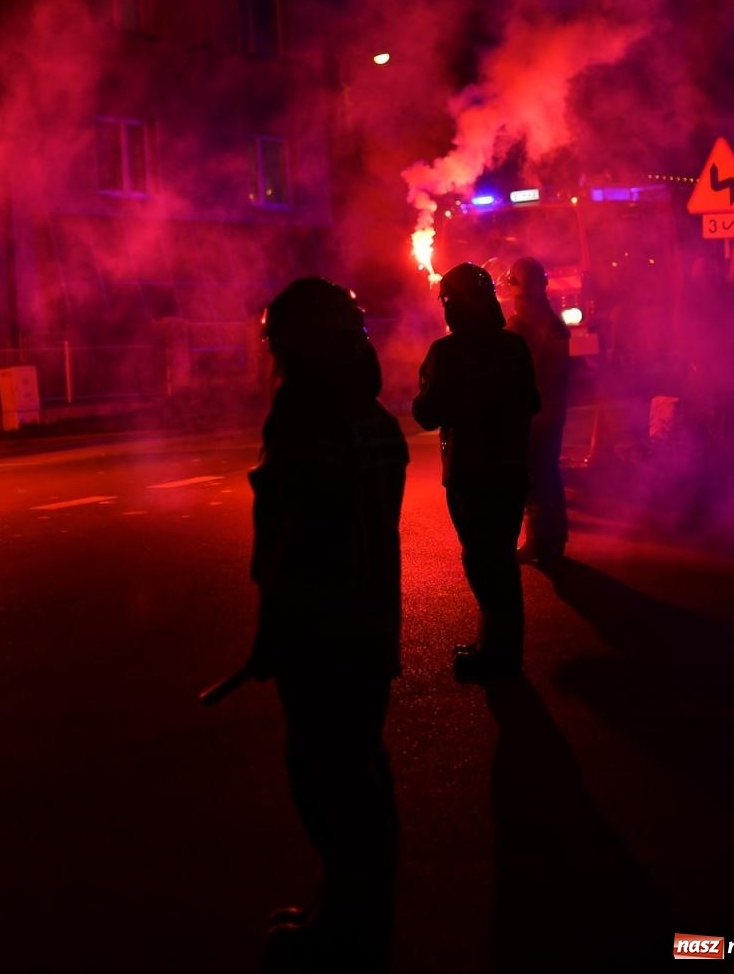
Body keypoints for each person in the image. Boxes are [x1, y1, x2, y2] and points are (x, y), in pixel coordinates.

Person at [247, 278, 408, 972]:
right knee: (360, 763)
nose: (273, 355)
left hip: (324, 627)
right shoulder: (375, 417)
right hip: (372, 623)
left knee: (322, 773)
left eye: (279, 342)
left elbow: (296, 534)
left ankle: (344, 931)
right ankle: (350, 909)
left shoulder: (303, 418)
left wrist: (272, 627)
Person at [412, 262, 539, 682]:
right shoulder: (514, 348)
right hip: (511, 470)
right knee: (499, 557)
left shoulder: (446, 353)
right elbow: (531, 404)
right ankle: (500, 646)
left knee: (483, 561)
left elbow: (425, 414)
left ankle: (497, 654)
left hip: (470, 473)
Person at [505, 257, 570, 564]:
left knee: (535, 476)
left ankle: (542, 543)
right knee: (547, 474)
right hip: (550, 411)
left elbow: (529, 372)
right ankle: (552, 540)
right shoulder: (551, 322)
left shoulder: (522, 327)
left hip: (534, 413)